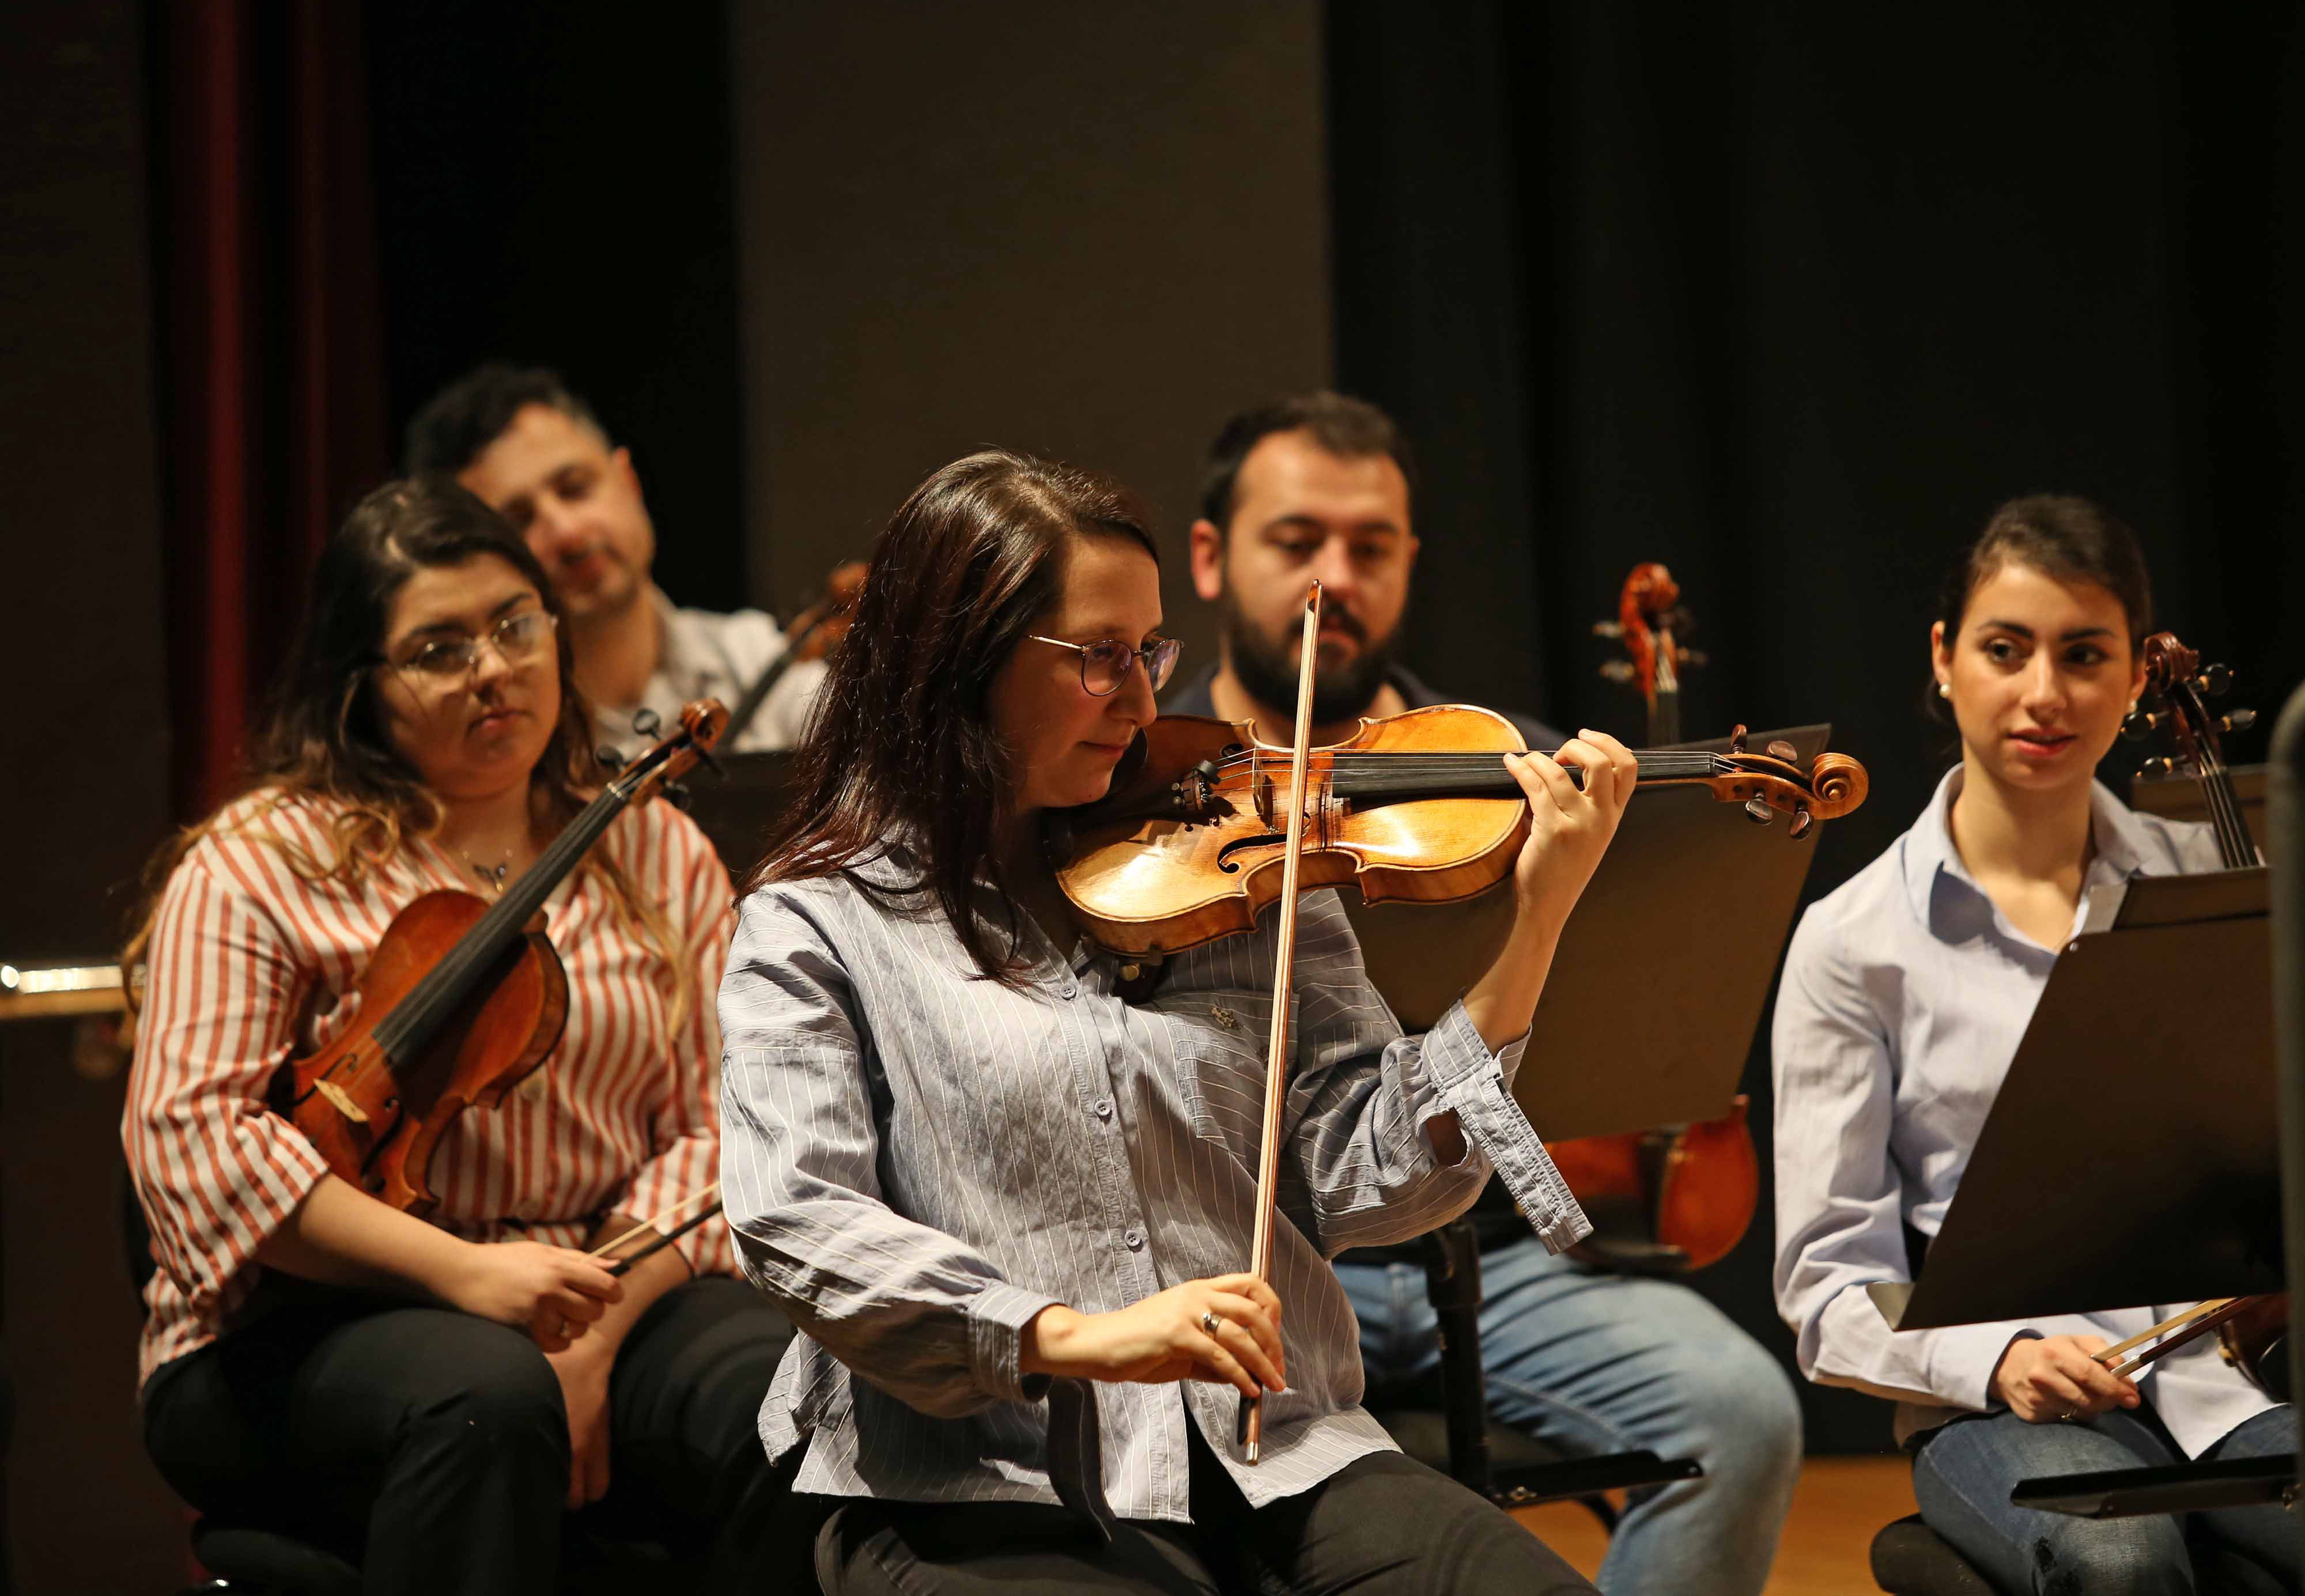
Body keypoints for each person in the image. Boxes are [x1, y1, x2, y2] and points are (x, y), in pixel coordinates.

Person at [719, 447, 1637, 1594]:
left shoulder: (1239, 871)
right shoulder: (816, 922)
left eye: (1147, 650)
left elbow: (1377, 1186)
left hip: (1274, 1449)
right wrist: (1075, 1335)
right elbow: (794, 1219)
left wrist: (1536, 920)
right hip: (980, 1482)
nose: (1150, 701)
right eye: (1098, 658)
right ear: (959, 659)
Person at [1166, 392, 1803, 1596]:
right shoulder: (1154, 792)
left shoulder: (1517, 764)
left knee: (1740, 1415)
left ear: (1408, 559)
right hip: (1259, 1260)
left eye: (1369, 547)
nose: (1333, 579)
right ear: (1211, 557)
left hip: (1501, 1254)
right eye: (1295, 542)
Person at [122, 479, 801, 1594]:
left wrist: (598, 1319)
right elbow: (194, 1145)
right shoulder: (256, 865)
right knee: (485, 1391)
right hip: (304, 1317)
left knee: (780, 1385)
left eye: (513, 623)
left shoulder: (660, 854)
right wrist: (467, 1276)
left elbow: (723, 1128)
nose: (492, 667)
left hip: (596, 1282)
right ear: (362, 688)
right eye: (438, 648)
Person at [1773, 494, 2296, 1593]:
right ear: (1945, 660)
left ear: (2139, 682)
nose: (2044, 694)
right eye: (2005, 650)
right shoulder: (1853, 942)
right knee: (2117, 1557)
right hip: (1995, 1400)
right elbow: (1827, 1285)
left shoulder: (2216, 891)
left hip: (2221, 1379)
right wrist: (1995, 1357)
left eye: (2085, 654)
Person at [405, 362, 828, 757]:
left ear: (627, 481)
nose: (567, 534)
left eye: (575, 488)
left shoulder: (753, 658)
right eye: (519, 521)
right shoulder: (502, 741)